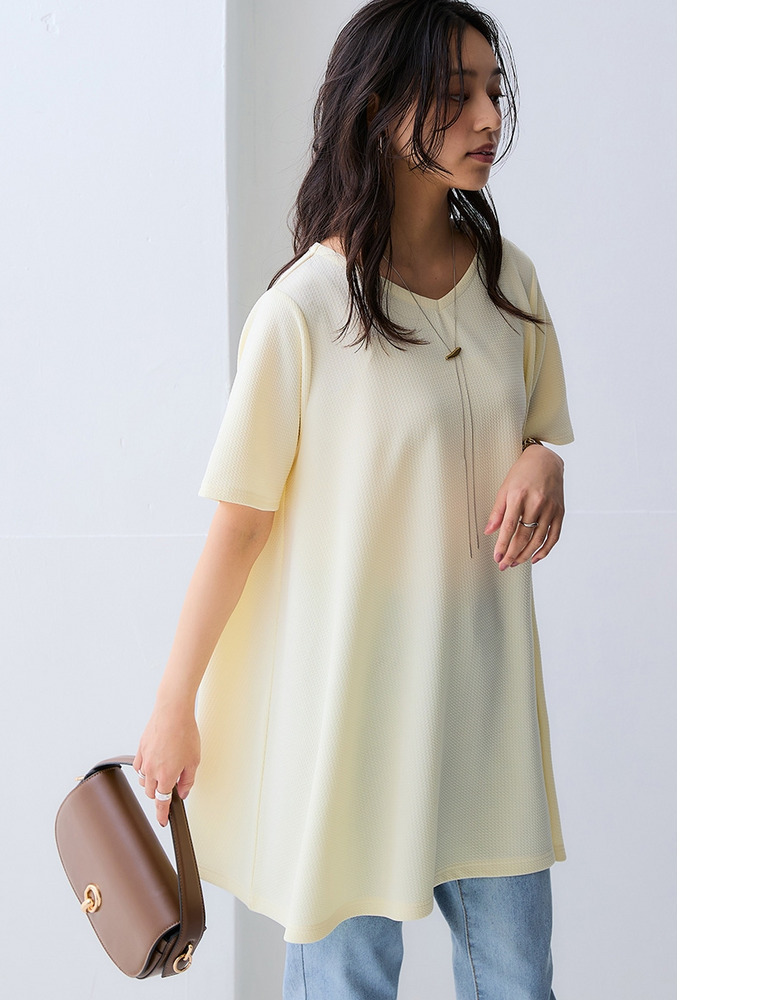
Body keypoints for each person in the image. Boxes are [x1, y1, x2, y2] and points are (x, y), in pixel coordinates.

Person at [134, 2, 573, 997]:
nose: (487, 118)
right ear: (379, 109)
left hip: (486, 703)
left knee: (518, 981)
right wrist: (174, 706)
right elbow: (240, 524)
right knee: (347, 983)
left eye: (493, 91)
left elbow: (532, 430)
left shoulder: (510, 284)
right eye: (455, 94)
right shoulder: (304, 309)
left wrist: (542, 457)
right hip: (353, 709)